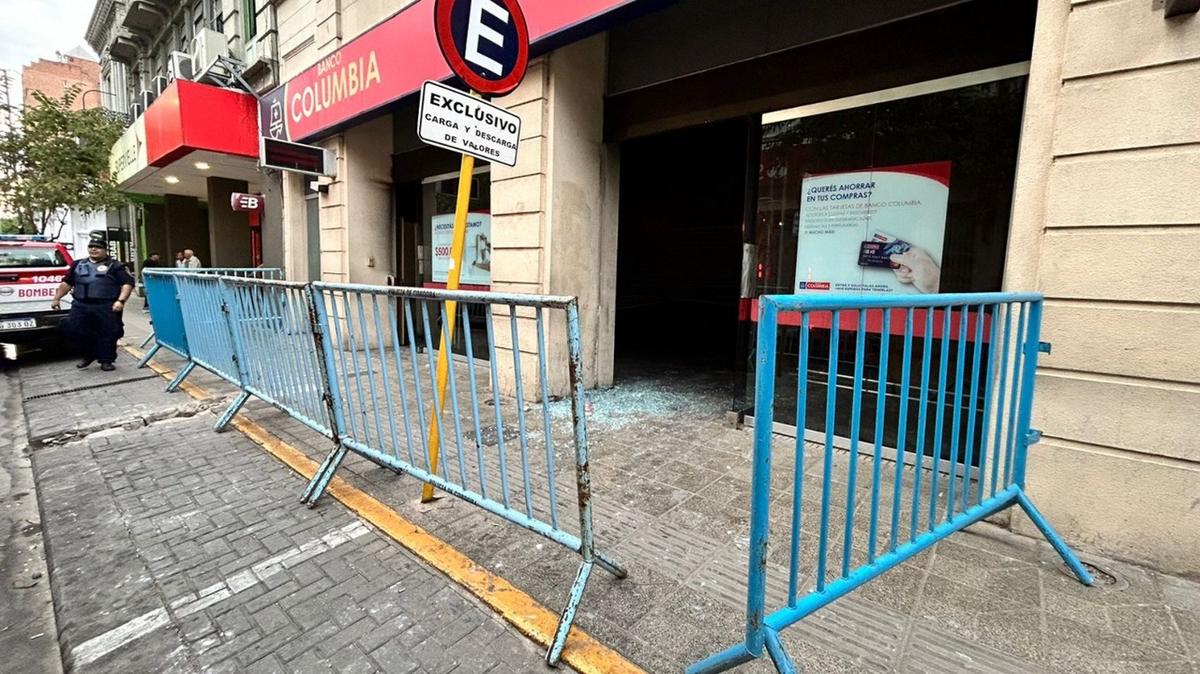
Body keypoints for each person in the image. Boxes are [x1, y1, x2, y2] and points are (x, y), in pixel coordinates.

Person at [50, 239, 135, 371]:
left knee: (108, 332)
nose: (94, 249)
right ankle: (89, 354)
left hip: (106, 305)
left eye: (98, 247)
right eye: (91, 247)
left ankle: (106, 360)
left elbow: (127, 284)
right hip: (81, 304)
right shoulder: (78, 264)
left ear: (105, 250)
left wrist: (121, 301)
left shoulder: (116, 266)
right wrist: (57, 298)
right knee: (74, 329)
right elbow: (67, 283)